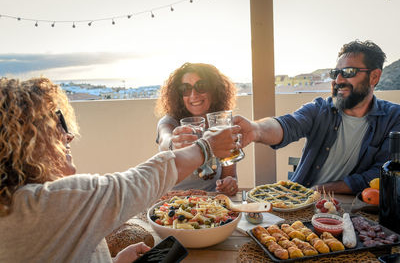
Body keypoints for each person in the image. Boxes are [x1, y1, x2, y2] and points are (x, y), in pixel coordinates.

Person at [0, 77, 239, 262]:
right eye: (57, 123)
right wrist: (206, 147)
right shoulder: (48, 202)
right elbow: (134, 184)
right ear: (26, 140)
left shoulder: (13, 202)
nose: (69, 135)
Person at [234, 40, 400, 195]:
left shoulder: (393, 118)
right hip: (301, 202)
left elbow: (383, 172)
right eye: (335, 73)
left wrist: (325, 189)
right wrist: (256, 130)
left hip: (354, 209)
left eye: (349, 72)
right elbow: (288, 125)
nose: (338, 80)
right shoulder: (320, 109)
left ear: (374, 77)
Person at [155, 62, 239, 195]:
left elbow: (229, 174)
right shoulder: (170, 122)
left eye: (202, 86)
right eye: (185, 89)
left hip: (211, 203)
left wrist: (229, 183)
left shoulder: (221, 125)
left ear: (214, 90)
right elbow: (164, 140)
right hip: (173, 201)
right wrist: (173, 142)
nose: (194, 94)